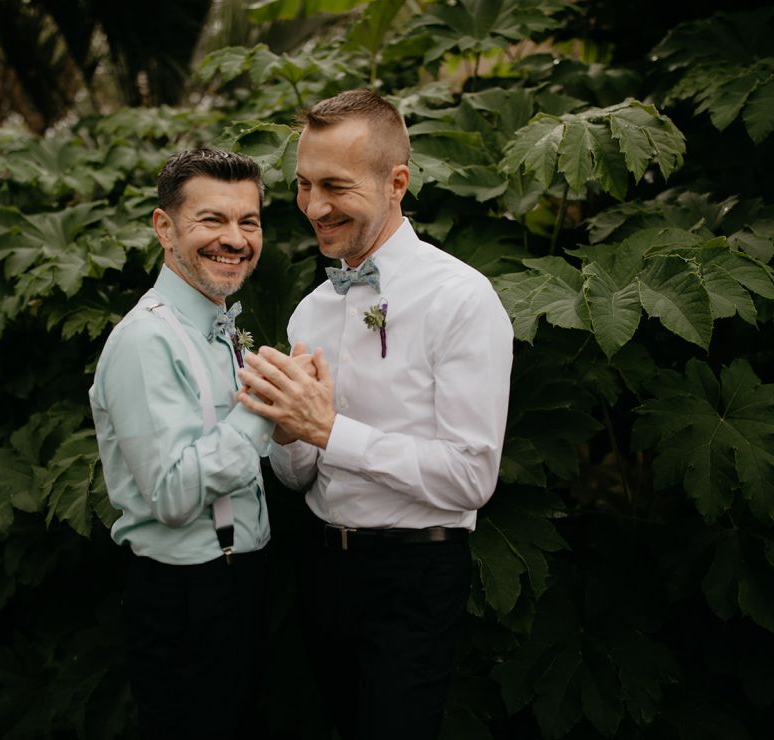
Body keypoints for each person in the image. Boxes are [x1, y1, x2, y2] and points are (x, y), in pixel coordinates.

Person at [236, 89, 514, 740]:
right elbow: (300, 476)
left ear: (396, 183)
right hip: (323, 570)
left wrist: (331, 429)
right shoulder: (310, 311)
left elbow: (472, 477)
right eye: (304, 185)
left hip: (413, 578)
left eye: (334, 185)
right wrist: (288, 430)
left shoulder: (462, 300)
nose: (314, 206)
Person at [88, 148, 275, 740]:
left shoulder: (222, 328)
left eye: (249, 221)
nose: (236, 238)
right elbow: (171, 493)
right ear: (164, 227)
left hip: (240, 584)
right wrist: (264, 408)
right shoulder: (147, 340)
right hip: (188, 600)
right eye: (212, 220)